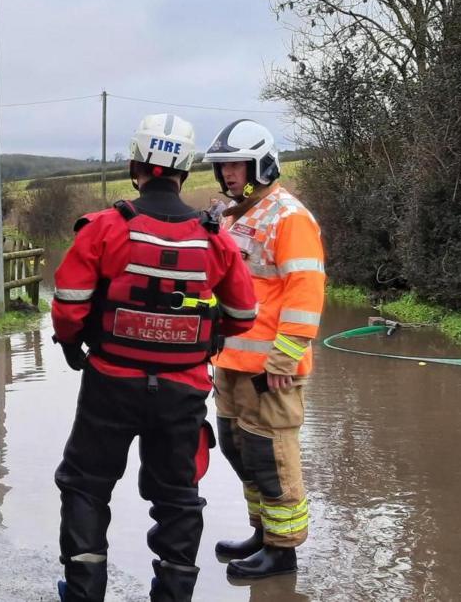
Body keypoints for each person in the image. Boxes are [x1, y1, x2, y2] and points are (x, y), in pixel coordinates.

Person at [51, 114, 258, 601]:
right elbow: (245, 313)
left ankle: (83, 592)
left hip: (109, 381)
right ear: (186, 169)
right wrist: (202, 337)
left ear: (134, 164)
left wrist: (71, 344)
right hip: (183, 389)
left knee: (85, 485)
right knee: (177, 497)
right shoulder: (215, 237)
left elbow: (68, 305)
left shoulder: (103, 227)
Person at [204, 119, 326, 580]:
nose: (228, 174)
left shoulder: (288, 217)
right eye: (223, 167)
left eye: (236, 165)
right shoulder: (240, 215)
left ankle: (282, 551)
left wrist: (284, 356)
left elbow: (305, 291)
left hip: (270, 367)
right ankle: (262, 531)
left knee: (271, 456)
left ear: (260, 162)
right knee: (242, 452)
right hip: (231, 361)